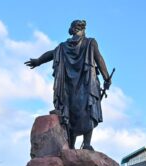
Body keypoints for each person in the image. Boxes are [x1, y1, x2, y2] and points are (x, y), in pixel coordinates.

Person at [25, 20, 111, 151]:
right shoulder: (90, 43)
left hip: (69, 88)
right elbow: (99, 59)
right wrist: (106, 78)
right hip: (87, 84)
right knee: (88, 111)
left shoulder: (63, 47)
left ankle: (71, 146)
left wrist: (38, 61)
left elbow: (50, 54)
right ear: (83, 30)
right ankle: (86, 143)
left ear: (72, 30)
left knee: (69, 113)